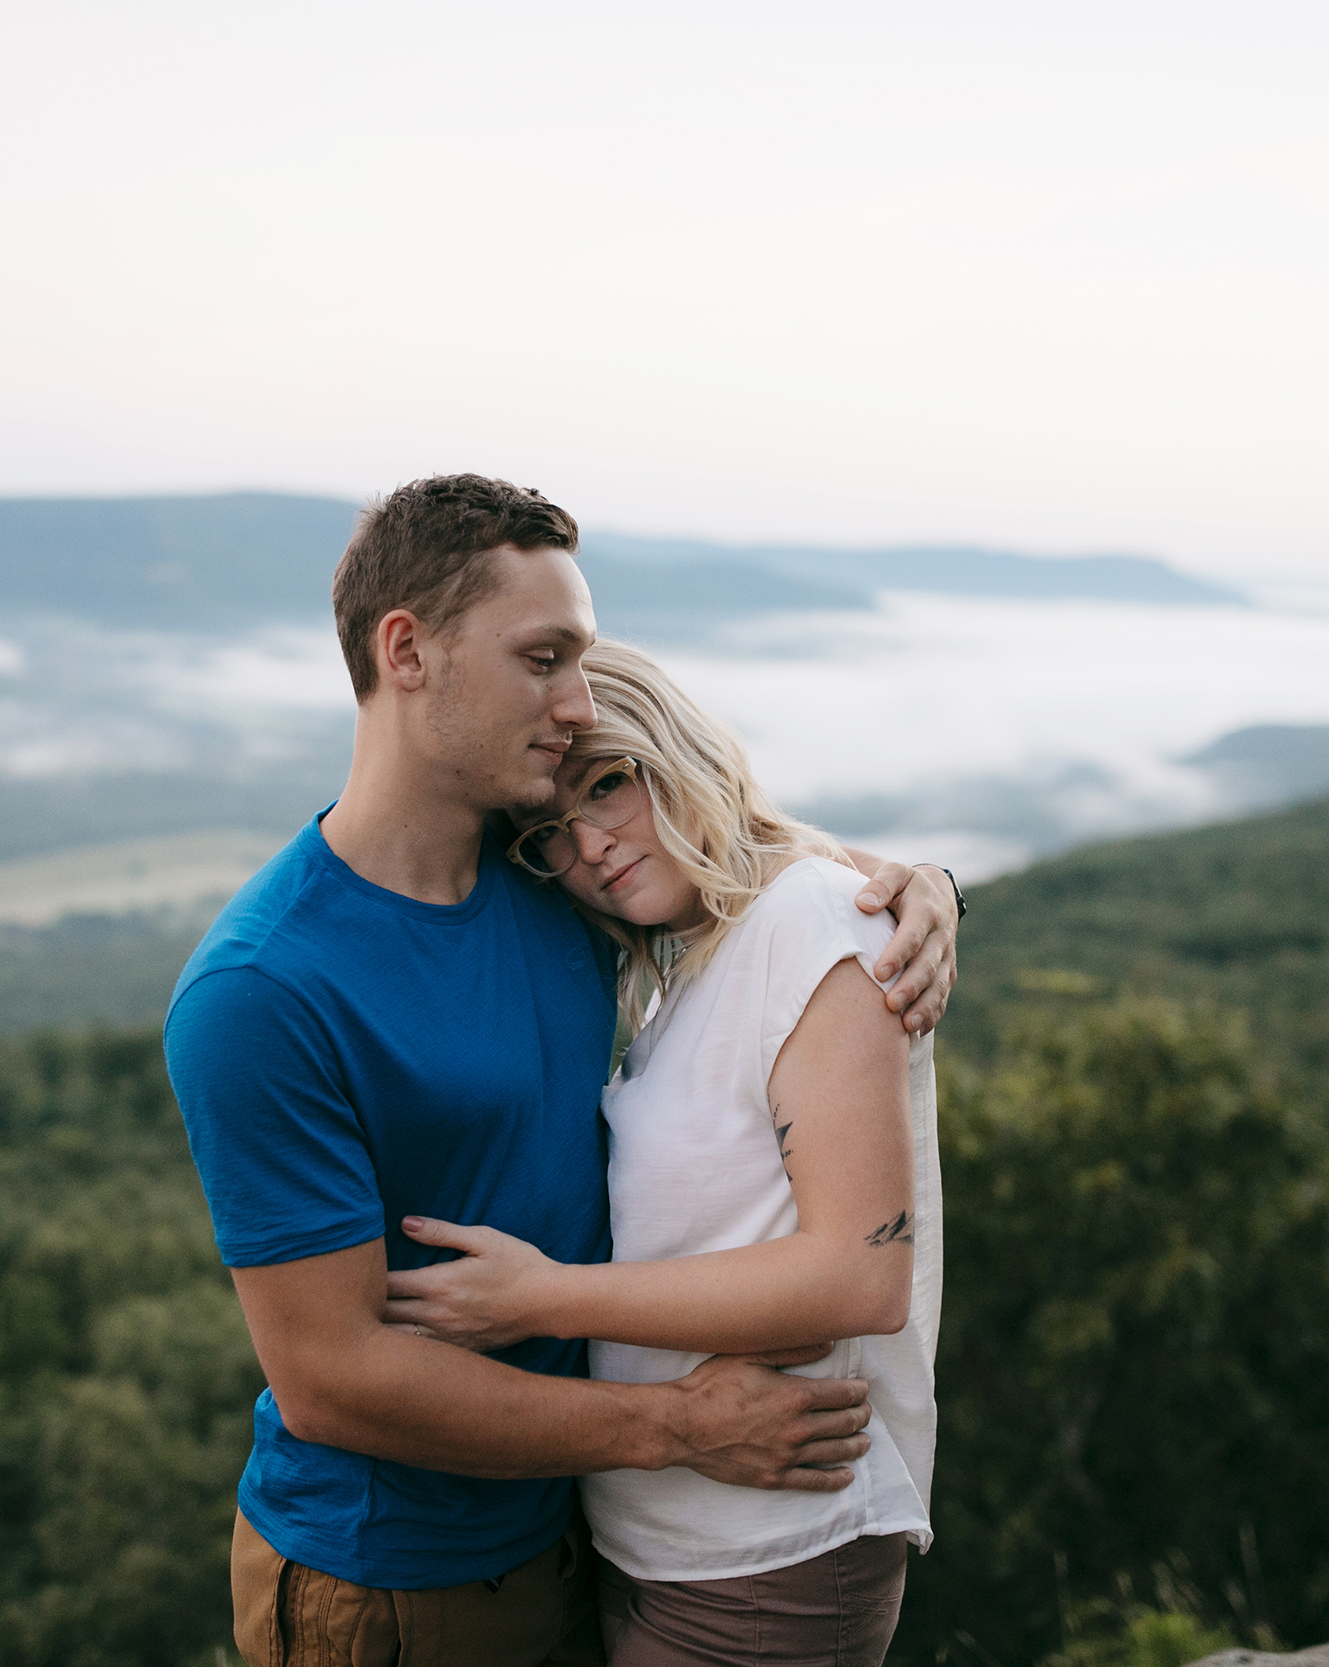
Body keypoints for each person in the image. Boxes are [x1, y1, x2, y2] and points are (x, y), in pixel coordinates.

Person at [162, 475, 959, 1667]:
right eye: (542, 658)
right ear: (407, 650)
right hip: (396, 1575)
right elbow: (333, 1380)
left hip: (585, 1529)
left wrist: (921, 885)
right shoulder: (263, 991)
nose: (574, 702)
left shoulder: (539, 877)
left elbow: (733, 859)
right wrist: (673, 1425)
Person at [382, 638, 939, 1666]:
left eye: (608, 784)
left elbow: (858, 1275)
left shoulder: (810, 919)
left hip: (770, 1551)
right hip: (662, 1542)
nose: (587, 844)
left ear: (672, 749)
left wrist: (540, 1297)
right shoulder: (676, 961)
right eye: (549, 831)